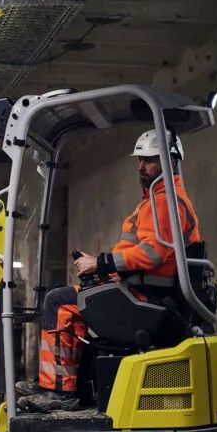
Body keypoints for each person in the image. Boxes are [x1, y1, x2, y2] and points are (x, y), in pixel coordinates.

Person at [17, 129, 201, 413]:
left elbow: (153, 254)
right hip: (144, 290)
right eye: (140, 160)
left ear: (169, 161)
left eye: (149, 160)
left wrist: (100, 264)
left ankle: (59, 392)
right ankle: (53, 383)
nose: (141, 166)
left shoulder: (165, 201)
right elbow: (135, 254)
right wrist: (102, 269)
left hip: (149, 297)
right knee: (74, 300)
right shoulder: (157, 200)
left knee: (58, 301)